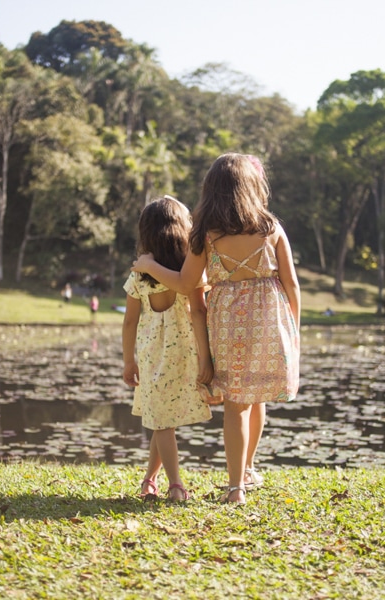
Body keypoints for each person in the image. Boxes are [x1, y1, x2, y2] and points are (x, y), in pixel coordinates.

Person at [133, 154, 300, 504]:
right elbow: (292, 284)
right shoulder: (271, 229)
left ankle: (236, 486)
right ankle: (249, 468)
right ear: (252, 187)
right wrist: (293, 331)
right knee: (255, 398)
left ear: (212, 191)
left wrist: (149, 264)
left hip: (227, 323)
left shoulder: (206, 235)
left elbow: (183, 282)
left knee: (236, 405)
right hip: (269, 320)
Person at [122, 195, 214, 502]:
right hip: (184, 356)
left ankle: (172, 484)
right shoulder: (189, 274)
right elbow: (199, 313)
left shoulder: (140, 275)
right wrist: (205, 358)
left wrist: (128, 362)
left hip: (152, 357)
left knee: (161, 420)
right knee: (162, 419)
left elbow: (129, 323)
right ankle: (157, 481)